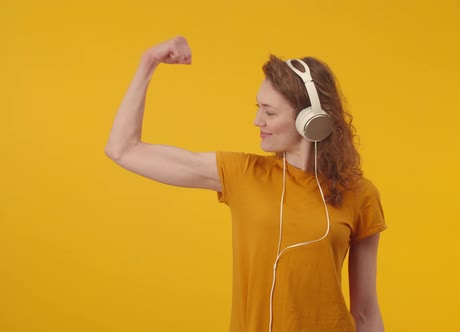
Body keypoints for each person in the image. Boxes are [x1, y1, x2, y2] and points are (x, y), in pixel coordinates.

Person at [105, 36, 387, 332]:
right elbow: (123, 150)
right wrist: (148, 62)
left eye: (270, 111)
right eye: (258, 107)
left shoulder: (360, 194)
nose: (257, 120)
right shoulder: (242, 174)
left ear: (310, 119)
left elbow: (366, 312)